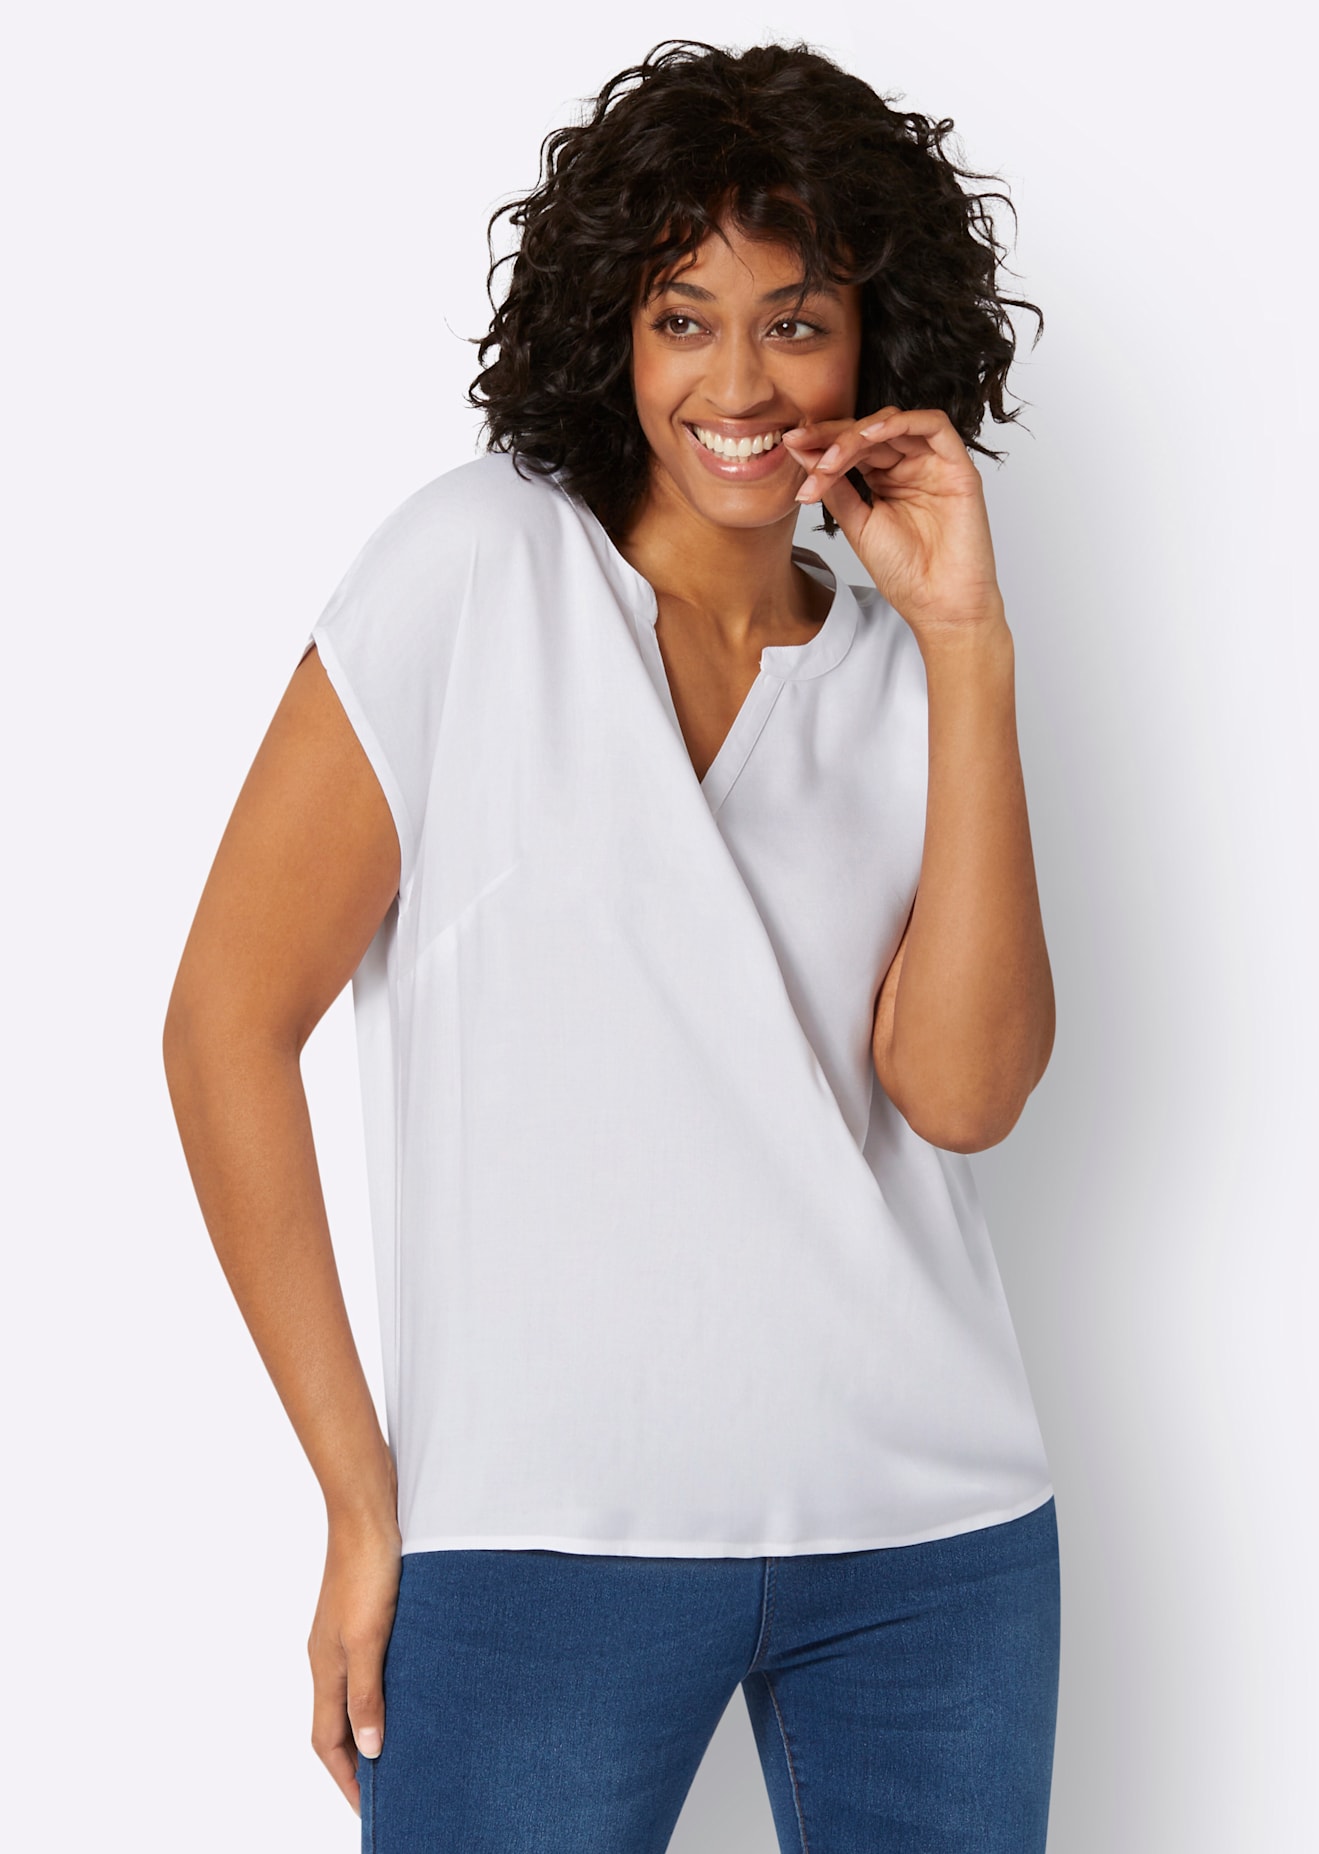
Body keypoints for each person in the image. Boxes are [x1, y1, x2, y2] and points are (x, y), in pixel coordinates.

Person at [163, 38, 1061, 1854]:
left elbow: (963, 1098)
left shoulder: (901, 673)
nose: (736, 382)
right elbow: (224, 1023)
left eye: (794, 322)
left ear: (875, 342)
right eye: (682, 320)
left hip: (929, 1533)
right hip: (535, 1535)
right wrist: (358, 1494)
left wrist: (969, 647)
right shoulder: (477, 570)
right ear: (613, 333)